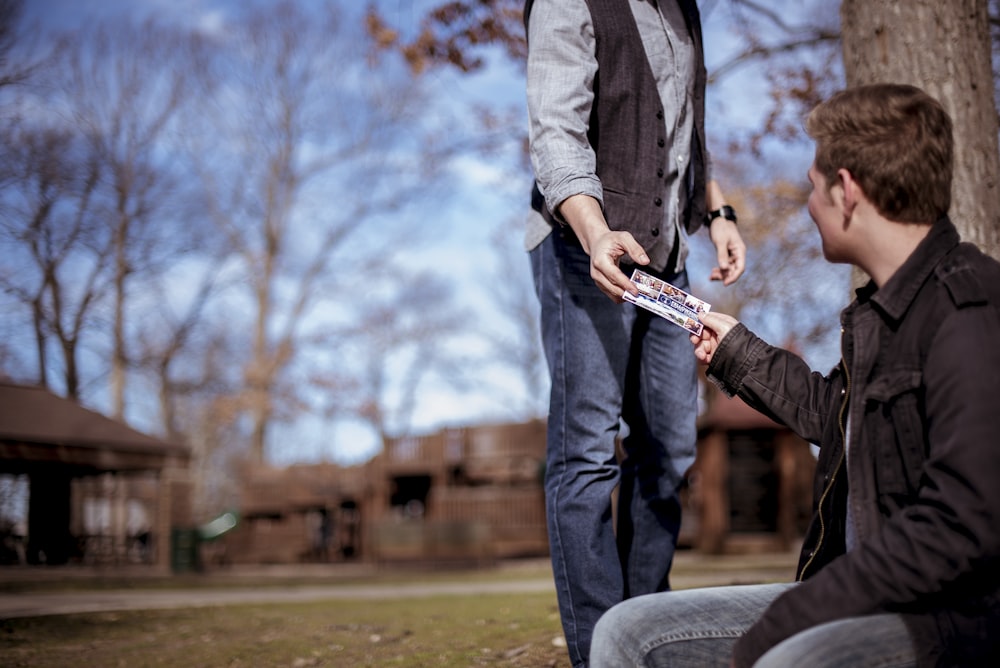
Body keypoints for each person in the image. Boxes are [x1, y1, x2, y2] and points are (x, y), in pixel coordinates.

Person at [589, 83, 1000, 668]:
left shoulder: (970, 312)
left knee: (787, 659)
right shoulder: (883, 314)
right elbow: (838, 416)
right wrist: (738, 351)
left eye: (813, 185)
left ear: (847, 190)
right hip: (862, 597)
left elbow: (959, 527)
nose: (809, 203)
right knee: (628, 631)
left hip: (944, 622)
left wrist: (783, 625)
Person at [523, 1, 746, 666]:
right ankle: (603, 653)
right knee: (588, 452)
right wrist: (595, 235)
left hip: (665, 263)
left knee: (672, 451)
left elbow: (680, 138)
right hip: (581, 247)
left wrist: (720, 212)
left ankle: (646, 632)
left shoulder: (685, 13)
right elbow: (555, 137)